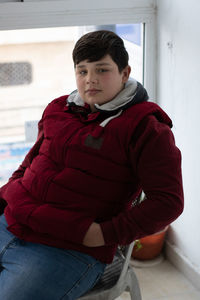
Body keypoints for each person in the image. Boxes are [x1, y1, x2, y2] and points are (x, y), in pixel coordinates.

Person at [0, 30, 184, 300]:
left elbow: (168, 202)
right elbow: (30, 163)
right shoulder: (58, 109)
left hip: (68, 248)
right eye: (82, 71)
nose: (90, 80)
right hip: (12, 221)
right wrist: (8, 195)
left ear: (124, 72)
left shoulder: (146, 129)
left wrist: (102, 234)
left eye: (102, 69)